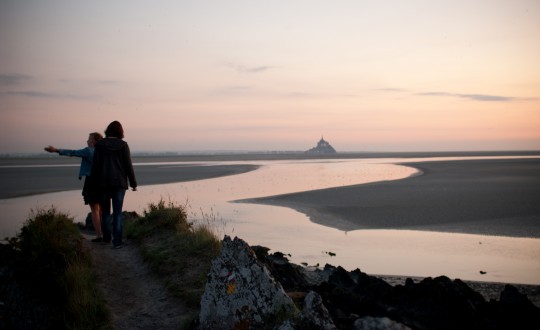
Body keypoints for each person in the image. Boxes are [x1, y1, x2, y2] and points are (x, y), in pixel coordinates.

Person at [44, 132, 104, 242]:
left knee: (95, 210)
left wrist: (56, 150)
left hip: (91, 181)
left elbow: (73, 152)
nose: (87, 141)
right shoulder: (103, 152)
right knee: (100, 210)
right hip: (102, 182)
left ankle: (99, 236)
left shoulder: (88, 151)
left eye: (89, 139)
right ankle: (104, 234)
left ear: (94, 141)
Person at [91, 121, 137, 248]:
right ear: (120, 132)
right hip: (119, 183)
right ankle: (117, 241)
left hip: (102, 183)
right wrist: (133, 183)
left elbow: (95, 166)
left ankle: (106, 238)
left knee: (105, 211)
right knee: (117, 213)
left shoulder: (100, 145)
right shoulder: (123, 145)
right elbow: (128, 165)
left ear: (108, 130)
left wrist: (94, 183)